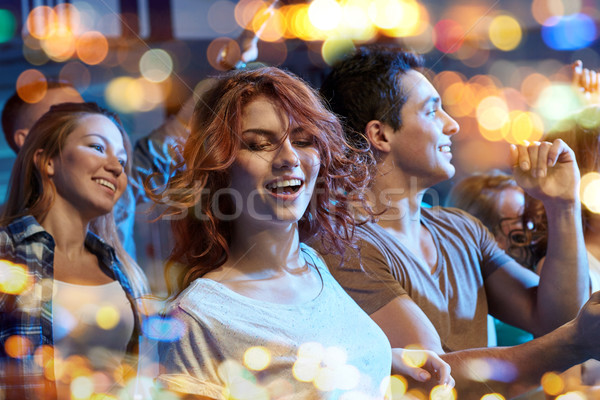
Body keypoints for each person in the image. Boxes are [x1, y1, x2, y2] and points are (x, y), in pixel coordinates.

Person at [153, 67, 453, 399]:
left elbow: (305, 363)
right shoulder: (200, 317)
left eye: (302, 140)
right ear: (219, 167)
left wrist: (382, 360)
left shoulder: (314, 264)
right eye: (258, 144)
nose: (289, 158)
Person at [318, 45, 596, 399]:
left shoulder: (459, 228)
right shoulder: (342, 244)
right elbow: (434, 377)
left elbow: (560, 319)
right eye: (433, 111)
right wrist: (573, 343)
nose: (452, 124)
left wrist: (563, 204)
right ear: (381, 135)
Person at [0, 102, 150, 400]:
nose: (117, 167)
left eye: (121, 160)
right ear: (47, 162)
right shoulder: (6, 254)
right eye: (97, 146)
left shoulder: (124, 270)